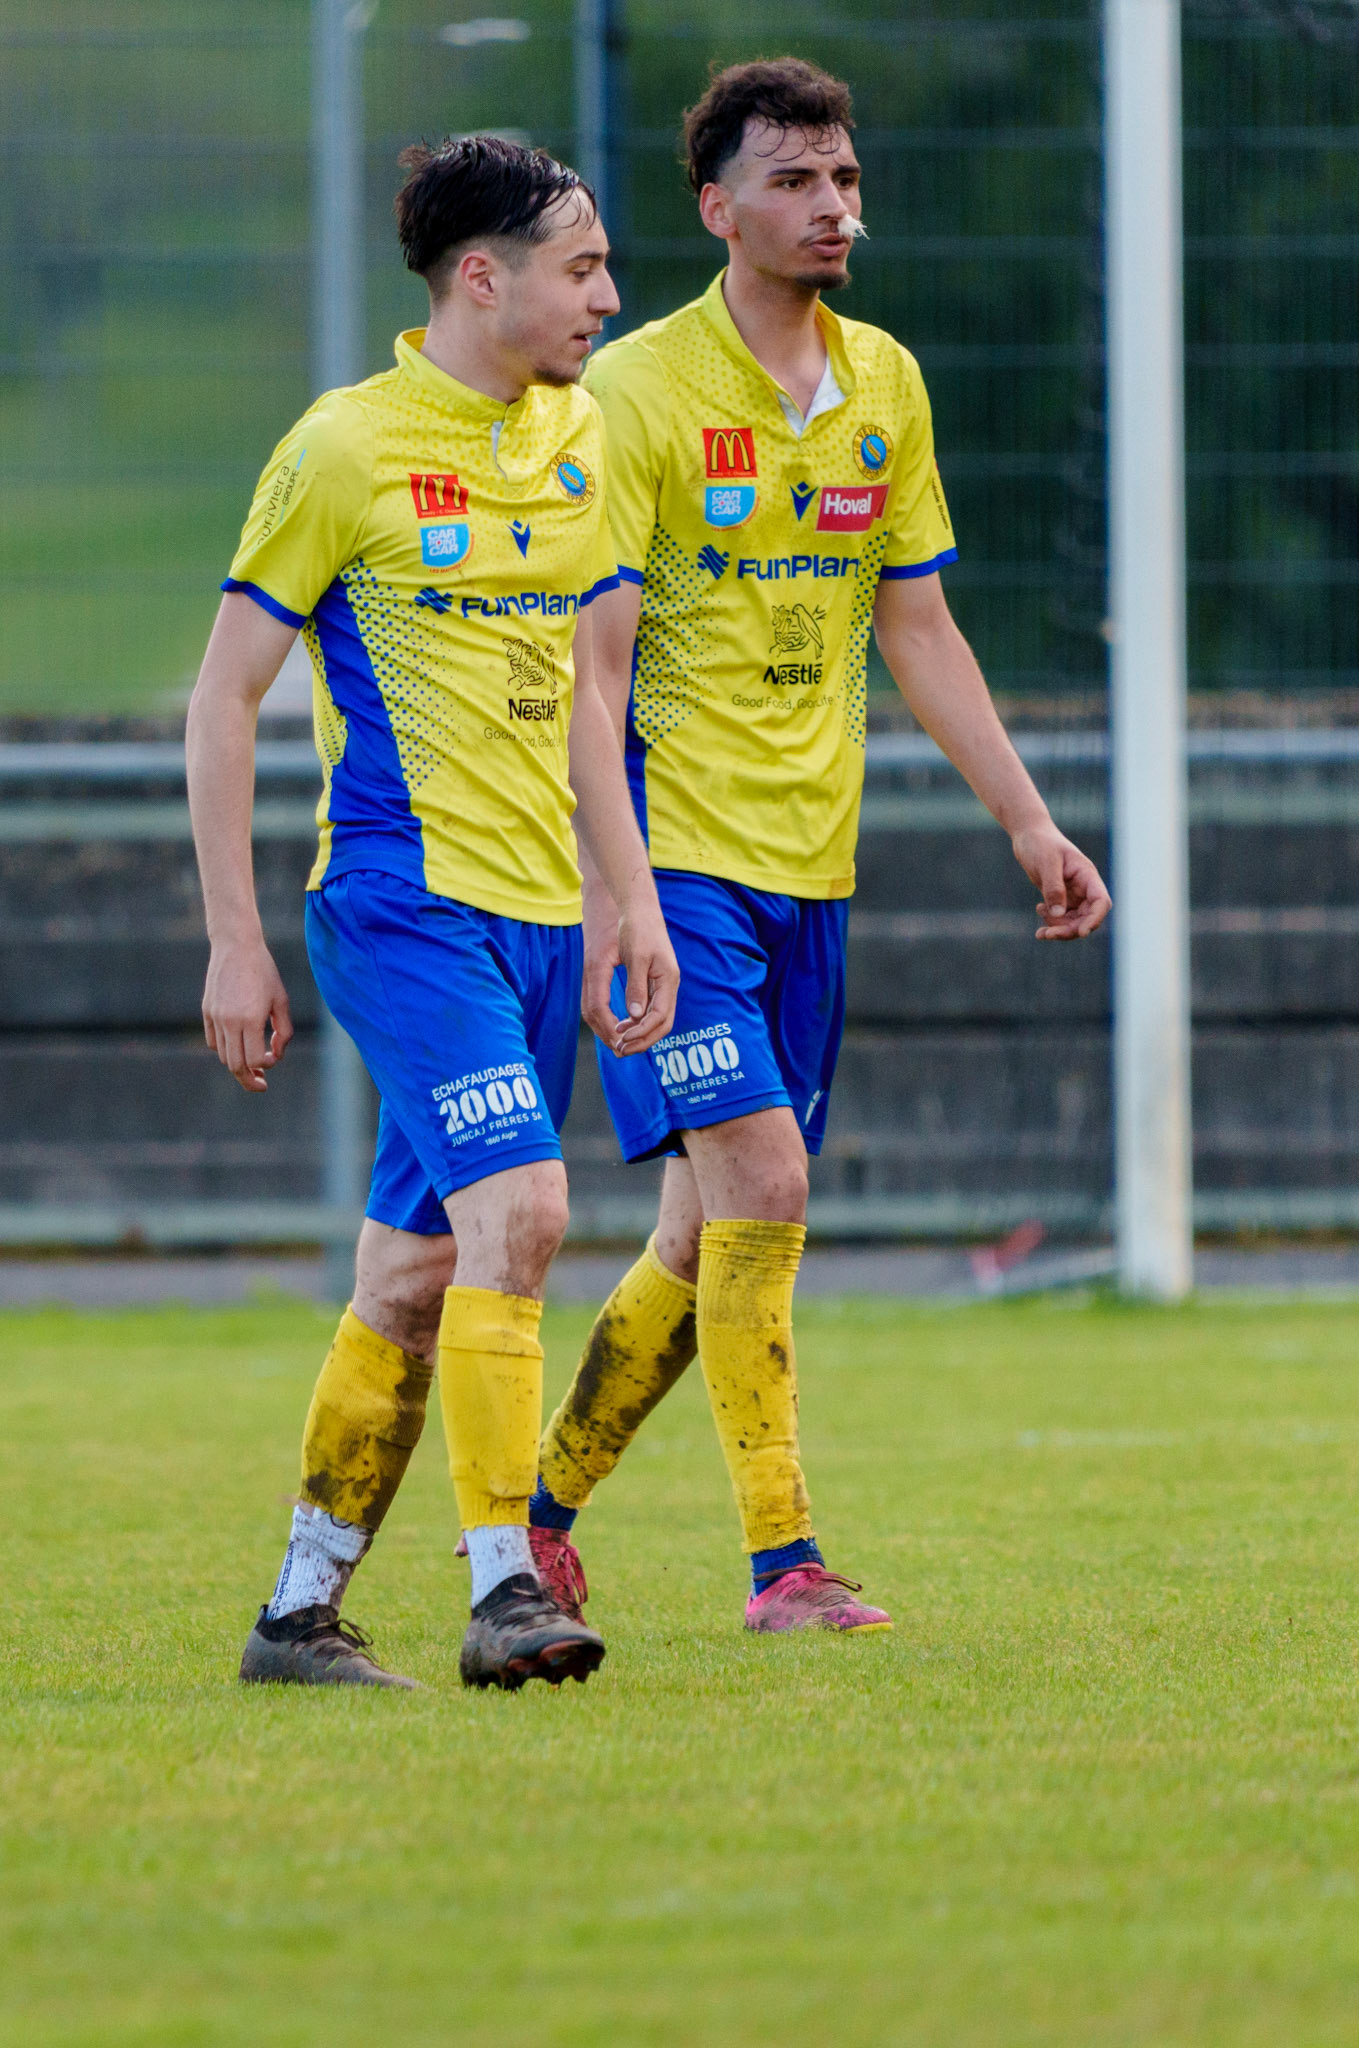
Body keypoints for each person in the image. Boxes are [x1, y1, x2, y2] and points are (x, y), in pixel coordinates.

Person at [527, 59, 1111, 1634]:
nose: (832, 206)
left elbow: (916, 625)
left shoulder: (883, 386)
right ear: (716, 209)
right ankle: (782, 1566)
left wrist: (1027, 819)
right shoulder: (637, 393)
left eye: (843, 177)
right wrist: (609, 895)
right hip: (675, 868)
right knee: (768, 1184)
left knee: (704, 1228)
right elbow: (591, 665)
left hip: (812, 872)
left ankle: (537, 1513)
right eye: (792, 180)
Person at [186, 136, 678, 1692]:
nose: (607, 296)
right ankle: (504, 1588)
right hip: (402, 903)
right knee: (523, 1216)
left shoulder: (581, 439)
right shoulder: (345, 449)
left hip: (539, 921)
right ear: (482, 277)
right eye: (581, 268)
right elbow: (223, 697)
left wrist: (626, 900)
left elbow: (587, 696)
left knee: (410, 1283)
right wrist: (235, 937)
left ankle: (296, 1618)